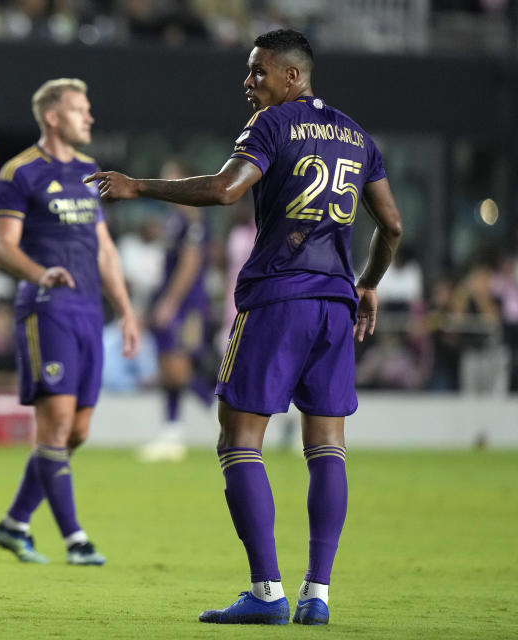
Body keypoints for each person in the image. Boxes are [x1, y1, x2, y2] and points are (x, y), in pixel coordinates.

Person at [87, 29, 403, 625]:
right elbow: (391, 224)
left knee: (238, 440)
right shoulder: (358, 136)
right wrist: (368, 284)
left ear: (292, 77)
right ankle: (318, 594)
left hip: (278, 297)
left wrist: (139, 186)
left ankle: (266, 592)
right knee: (327, 446)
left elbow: (226, 188)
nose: (248, 82)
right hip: (335, 305)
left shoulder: (272, 126)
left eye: (259, 72)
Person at [0, 78, 140, 565]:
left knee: (76, 433)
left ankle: (14, 523)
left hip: (89, 313)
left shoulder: (91, 171)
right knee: (53, 427)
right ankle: (76, 540)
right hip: (46, 309)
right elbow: (0, 245)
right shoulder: (20, 173)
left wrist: (127, 311)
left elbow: (105, 249)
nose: (89, 118)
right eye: (79, 109)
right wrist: (40, 274)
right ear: (53, 117)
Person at [138, 158, 217, 463]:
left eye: (169, 179)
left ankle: (219, 416)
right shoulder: (173, 219)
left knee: (178, 368)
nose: (164, 185)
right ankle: (172, 432)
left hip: (186, 305)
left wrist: (169, 302)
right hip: (169, 299)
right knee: (170, 369)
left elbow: (190, 263)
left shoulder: (193, 218)